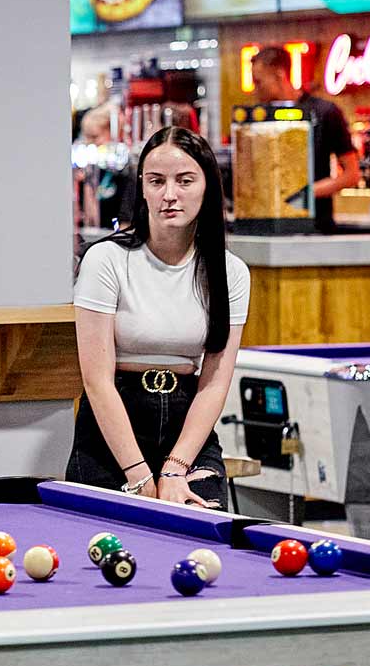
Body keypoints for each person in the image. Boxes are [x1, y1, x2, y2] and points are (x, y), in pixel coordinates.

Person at [66, 126, 249, 509]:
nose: (169, 194)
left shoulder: (231, 272)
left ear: (207, 188)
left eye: (184, 181)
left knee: (202, 543)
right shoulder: (105, 259)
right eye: (156, 181)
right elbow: (96, 380)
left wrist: (175, 469)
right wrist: (140, 476)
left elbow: (215, 382)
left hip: (188, 430)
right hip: (111, 428)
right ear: (142, 188)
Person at [251, 45, 358, 233]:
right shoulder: (260, 118)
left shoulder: (325, 112)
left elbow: (351, 175)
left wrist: (304, 195)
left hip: (316, 227)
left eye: (259, 82)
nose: (255, 89)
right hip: (269, 226)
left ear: (279, 75)